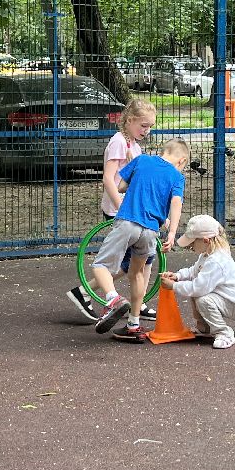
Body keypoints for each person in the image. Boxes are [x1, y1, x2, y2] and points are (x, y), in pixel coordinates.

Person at [66, 97, 157, 321]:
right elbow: (108, 179)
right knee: (129, 262)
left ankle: (87, 293)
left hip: (134, 211)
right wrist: (121, 207)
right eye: (143, 125)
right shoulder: (119, 141)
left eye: (150, 126)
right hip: (121, 211)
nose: (146, 130)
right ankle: (128, 299)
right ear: (129, 121)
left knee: (137, 261)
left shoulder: (134, 145)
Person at [93, 138, 190, 342]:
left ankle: (113, 299)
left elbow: (120, 187)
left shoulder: (141, 160)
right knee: (137, 273)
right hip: (151, 232)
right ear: (181, 160)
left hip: (128, 221)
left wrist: (133, 172)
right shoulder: (177, 177)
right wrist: (172, 232)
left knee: (101, 265)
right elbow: (176, 202)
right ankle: (133, 324)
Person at [161, 214, 235, 350]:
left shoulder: (217, 261)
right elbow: (194, 271)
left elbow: (198, 288)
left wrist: (174, 286)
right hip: (229, 299)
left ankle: (223, 333)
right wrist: (177, 276)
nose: (191, 246)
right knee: (197, 292)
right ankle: (204, 328)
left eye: (193, 242)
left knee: (203, 299)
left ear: (205, 240)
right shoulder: (207, 254)